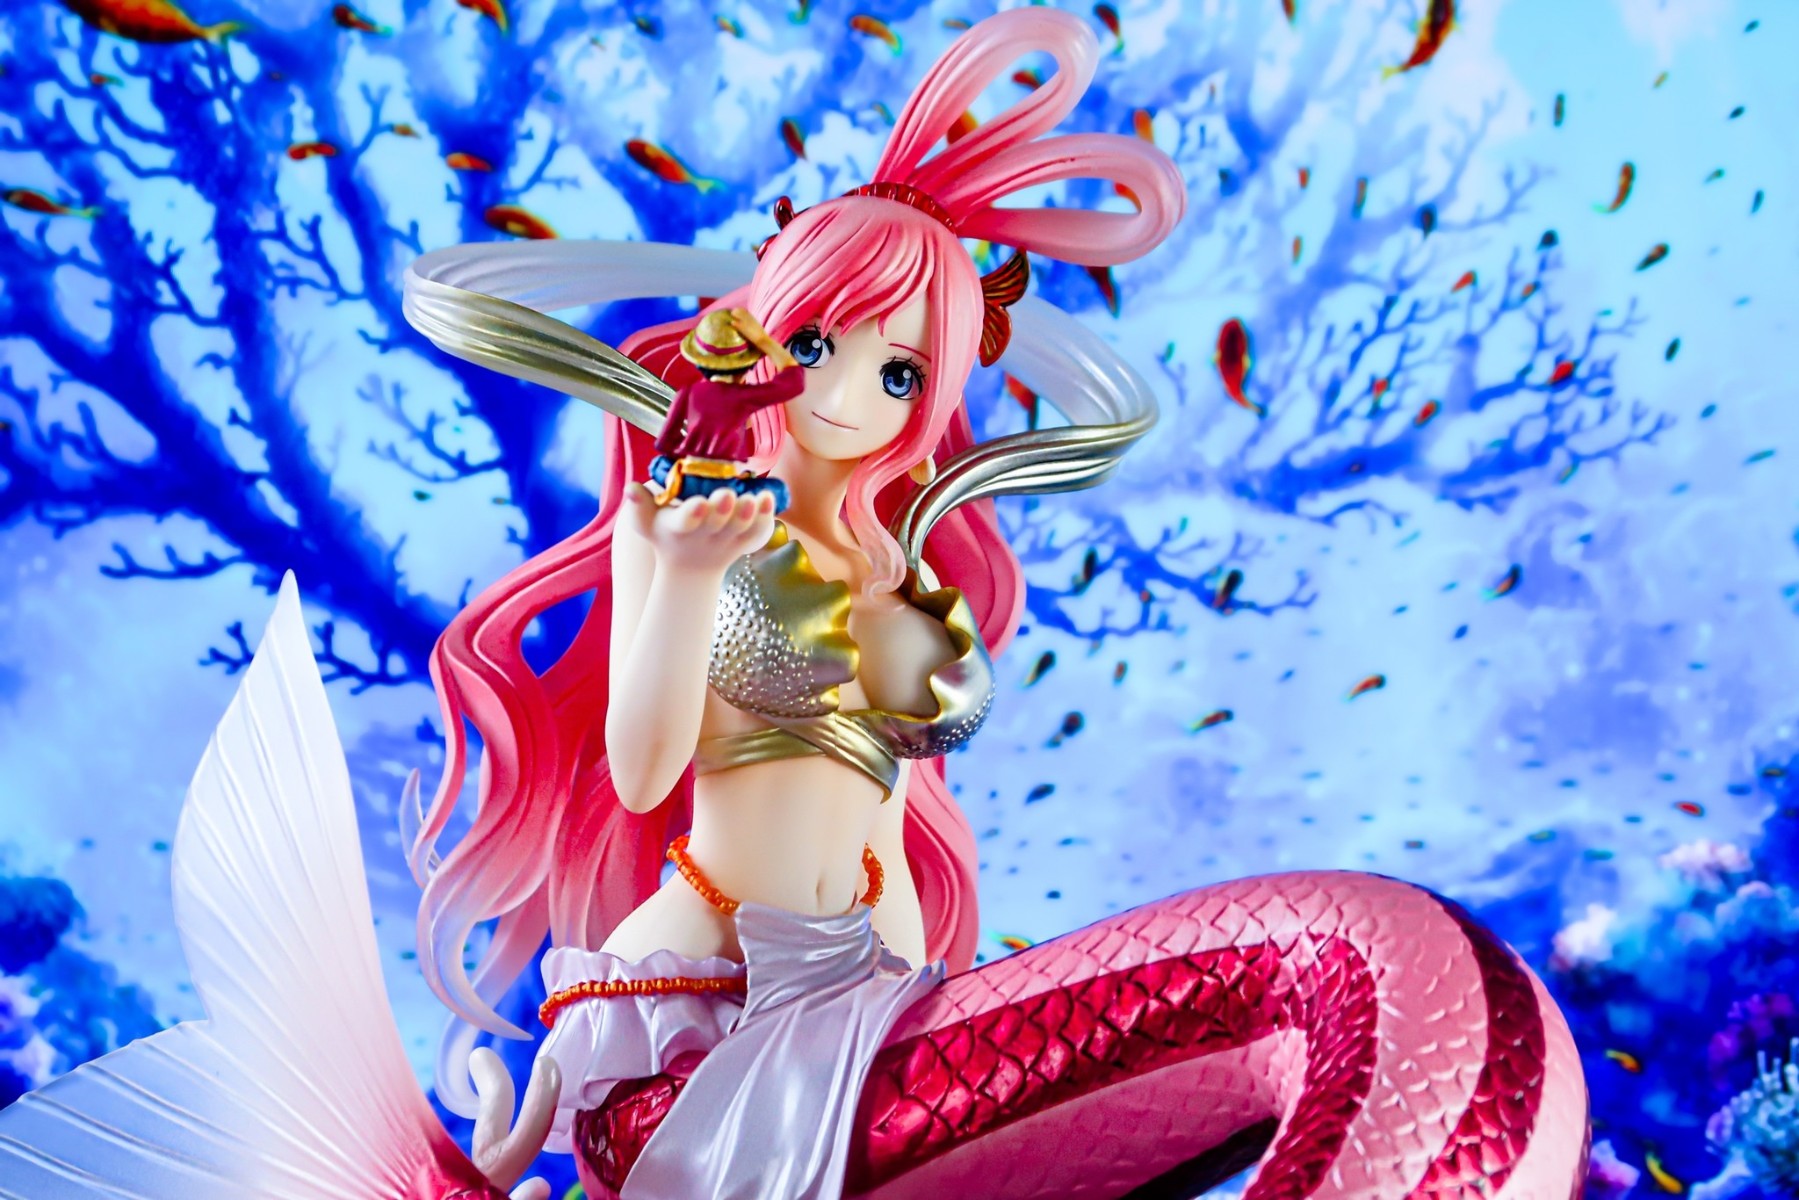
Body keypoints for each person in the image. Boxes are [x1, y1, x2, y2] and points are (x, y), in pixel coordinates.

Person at [0, 10, 1590, 1200]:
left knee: (1400, 994)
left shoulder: (904, 561)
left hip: (878, 1011)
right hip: (715, 1046)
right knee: (1370, 969)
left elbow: (887, 817)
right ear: (767, 333)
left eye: (896, 370)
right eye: (822, 343)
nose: (848, 394)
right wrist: (682, 575)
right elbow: (639, 769)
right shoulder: (690, 526)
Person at [648, 307, 800, 512]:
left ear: (699, 361)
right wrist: (763, 341)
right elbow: (794, 381)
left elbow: (665, 443)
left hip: (686, 484)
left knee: (658, 465)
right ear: (747, 366)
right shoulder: (744, 396)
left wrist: (693, 457)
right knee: (778, 491)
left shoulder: (687, 393)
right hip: (726, 487)